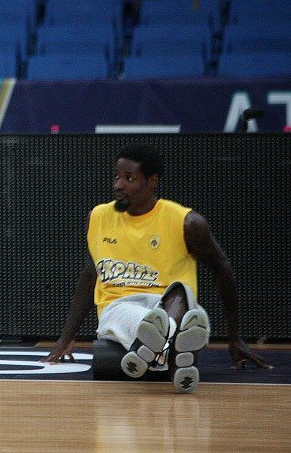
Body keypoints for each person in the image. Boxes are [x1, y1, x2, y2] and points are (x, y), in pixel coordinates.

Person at [44, 143, 270, 393]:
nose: (118, 185)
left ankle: (156, 348)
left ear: (152, 181)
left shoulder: (187, 222)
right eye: (116, 176)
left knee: (180, 297)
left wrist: (235, 336)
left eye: (129, 178)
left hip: (171, 303)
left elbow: (222, 269)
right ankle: (173, 350)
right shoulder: (98, 216)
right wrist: (65, 337)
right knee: (150, 320)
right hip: (119, 306)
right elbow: (90, 276)